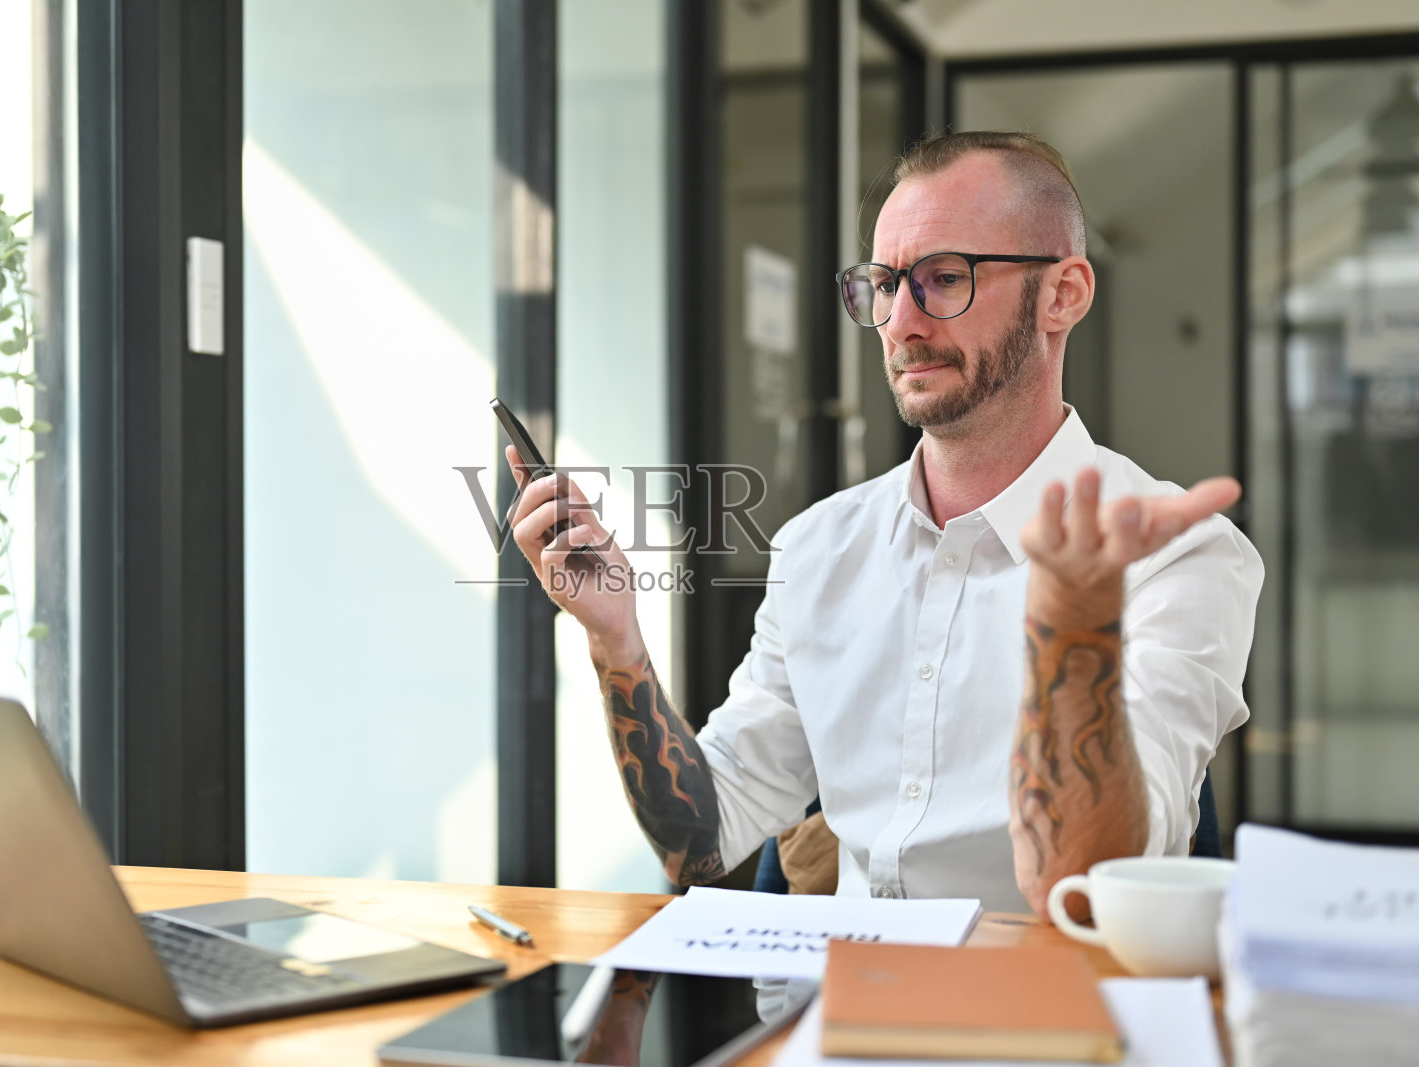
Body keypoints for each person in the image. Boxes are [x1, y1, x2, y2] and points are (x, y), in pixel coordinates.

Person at [505, 130, 1263, 916]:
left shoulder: (1180, 558)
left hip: (1042, 1027)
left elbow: (1089, 893)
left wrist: (1074, 627)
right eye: (884, 283)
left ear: (1063, 294)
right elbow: (700, 836)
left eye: (944, 278)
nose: (900, 321)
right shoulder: (819, 547)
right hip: (826, 1020)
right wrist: (615, 638)